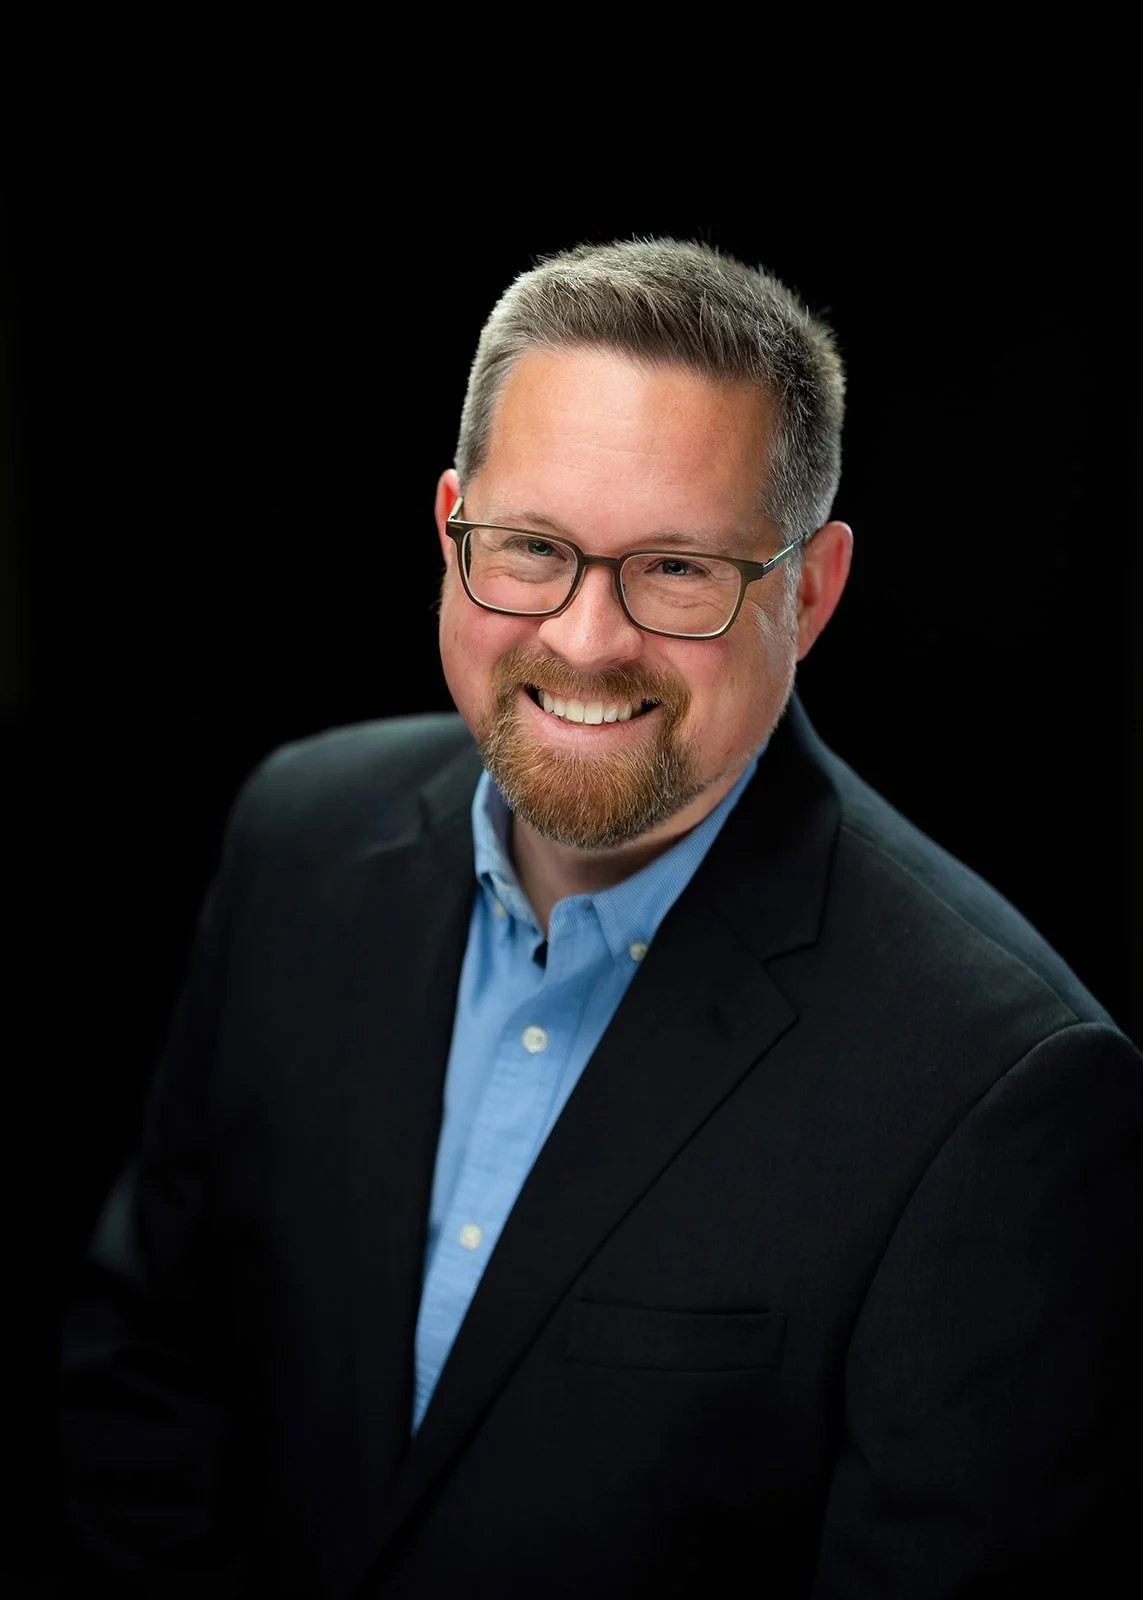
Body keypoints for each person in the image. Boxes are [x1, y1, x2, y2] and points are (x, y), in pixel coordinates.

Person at [56, 237, 1143, 1599]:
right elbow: (149, 1379)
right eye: (530, 548)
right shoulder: (299, 838)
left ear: (806, 593)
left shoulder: (1006, 1091)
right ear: (452, 522)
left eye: (677, 570)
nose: (583, 638)